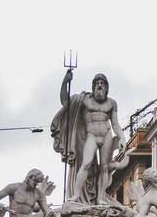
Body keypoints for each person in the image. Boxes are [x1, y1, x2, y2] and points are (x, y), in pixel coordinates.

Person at [51, 70, 125, 205]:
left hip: (107, 135)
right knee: (85, 164)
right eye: (97, 83)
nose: (100, 85)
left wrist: (122, 138)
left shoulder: (112, 103)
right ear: (93, 86)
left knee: (104, 167)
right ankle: (76, 195)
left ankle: (100, 198)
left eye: (102, 83)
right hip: (91, 135)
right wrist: (65, 82)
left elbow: (115, 124)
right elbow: (65, 102)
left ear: (107, 87)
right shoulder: (84, 99)